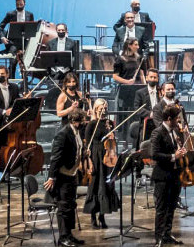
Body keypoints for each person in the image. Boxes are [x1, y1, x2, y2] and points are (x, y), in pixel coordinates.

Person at [45, 110, 88, 247]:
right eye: (83, 121)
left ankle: (69, 234)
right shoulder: (63, 134)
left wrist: (83, 152)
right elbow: (55, 157)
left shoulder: (77, 132)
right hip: (62, 176)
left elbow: (76, 148)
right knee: (63, 207)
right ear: (76, 121)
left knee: (70, 206)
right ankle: (63, 238)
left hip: (72, 174)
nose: (84, 123)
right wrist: (51, 177)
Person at [150, 103, 188, 247]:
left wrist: (180, 151)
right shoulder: (157, 132)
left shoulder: (175, 131)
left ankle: (167, 234)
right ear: (169, 118)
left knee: (171, 207)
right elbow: (155, 154)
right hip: (162, 176)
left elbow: (176, 149)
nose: (179, 121)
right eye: (177, 118)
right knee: (161, 209)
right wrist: (173, 156)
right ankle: (158, 238)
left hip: (175, 174)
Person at [82, 100, 121, 228]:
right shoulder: (92, 125)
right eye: (101, 108)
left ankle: (102, 217)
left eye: (105, 108)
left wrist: (112, 136)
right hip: (96, 156)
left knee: (106, 186)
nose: (104, 110)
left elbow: (113, 142)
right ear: (96, 108)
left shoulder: (109, 123)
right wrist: (90, 162)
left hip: (107, 157)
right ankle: (93, 217)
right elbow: (88, 145)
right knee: (95, 186)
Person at [113, 37, 146, 112]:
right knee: (125, 112)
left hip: (137, 89)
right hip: (125, 90)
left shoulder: (139, 58)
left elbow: (141, 75)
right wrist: (127, 82)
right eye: (136, 45)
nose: (138, 47)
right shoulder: (120, 59)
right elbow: (115, 76)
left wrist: (145, 87)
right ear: (129, 46)